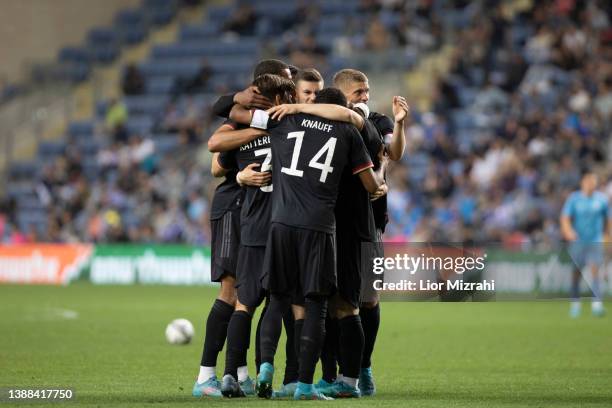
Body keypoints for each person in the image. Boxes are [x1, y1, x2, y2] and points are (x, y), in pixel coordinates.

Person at [251, 87, 384, 400]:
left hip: (281, 223)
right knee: (319, 305)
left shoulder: (284, 122)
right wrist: (381, 178)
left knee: (278, 298)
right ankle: (310, 386)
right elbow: (371, 184)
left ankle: (265, 368)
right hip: (322, 227)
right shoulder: (350, 133)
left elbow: (234, 114)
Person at [192, 61, 291, 399]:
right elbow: (215, 158)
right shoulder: (242, 117)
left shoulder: (272, 120)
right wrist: (259, 137)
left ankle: (240, 373)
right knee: (233, 292)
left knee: (251, 294)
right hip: (235, 209)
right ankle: (207, 375)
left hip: (258, 210)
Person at [331, 68, 409, 395]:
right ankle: (335, 370)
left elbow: (394, 153)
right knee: (334, 300)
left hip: (372, 221)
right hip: (332, 221)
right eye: (358, 92)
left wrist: (401, 122)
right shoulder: (330, 124)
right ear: (341, 94)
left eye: (367, 91)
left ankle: (363, 367)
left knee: (368, 298)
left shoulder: (378, 121)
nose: (365, 97)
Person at [560, 170, 610, 318]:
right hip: (578, 241)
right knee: (576, 274)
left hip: (595, 240)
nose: (591, 184)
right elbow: (565, 218)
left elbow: (609, 219)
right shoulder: (574, 199)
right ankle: (575, 304)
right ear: (583, 183)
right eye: (588, 181)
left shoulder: (602, 200)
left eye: (593, 182)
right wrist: (568, 231)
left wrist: (608, 235)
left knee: (596, 271)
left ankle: (597, 304)